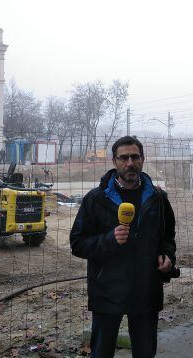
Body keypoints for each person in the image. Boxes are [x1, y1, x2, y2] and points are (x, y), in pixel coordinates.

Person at [70, 136, 176, 358]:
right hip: (107, 291)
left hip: (146, 290)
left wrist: (167, 256)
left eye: (135, 157)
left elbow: (167, 236)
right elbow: (77, 243)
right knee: (101, 353)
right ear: (114, 161)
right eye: (124, 157)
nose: (130, 163)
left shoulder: (158, 198)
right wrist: (109, 239)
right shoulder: (96, 199)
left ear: (143, 159)